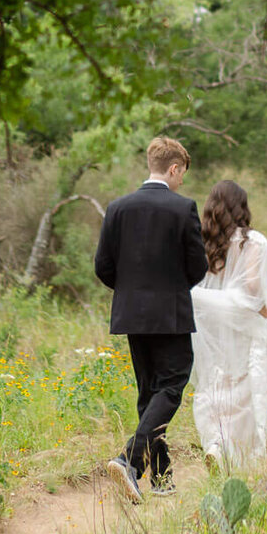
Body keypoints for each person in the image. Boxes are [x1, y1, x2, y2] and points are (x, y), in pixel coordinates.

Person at [94, 134, 207, 503]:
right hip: (170, 313)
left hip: (131, 313)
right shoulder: (183, 208)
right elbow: (198, 268)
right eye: (181, 175)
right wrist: (171, 289)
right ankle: (129, 461)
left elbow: (103, 267)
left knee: (151, 394)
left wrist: (131, 292)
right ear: (173, 168)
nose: (181, 183)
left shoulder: (117, 208)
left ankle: (161, 477)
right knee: (172, 385)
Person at [190, 179, 267, 470]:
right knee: (248, 382)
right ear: (242, 207)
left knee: (214, 380)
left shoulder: (204, 241)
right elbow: (252, 290)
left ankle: (216, 445)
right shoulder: (254, 241)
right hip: (241, 321)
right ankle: (240, 451)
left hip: (209, 319)